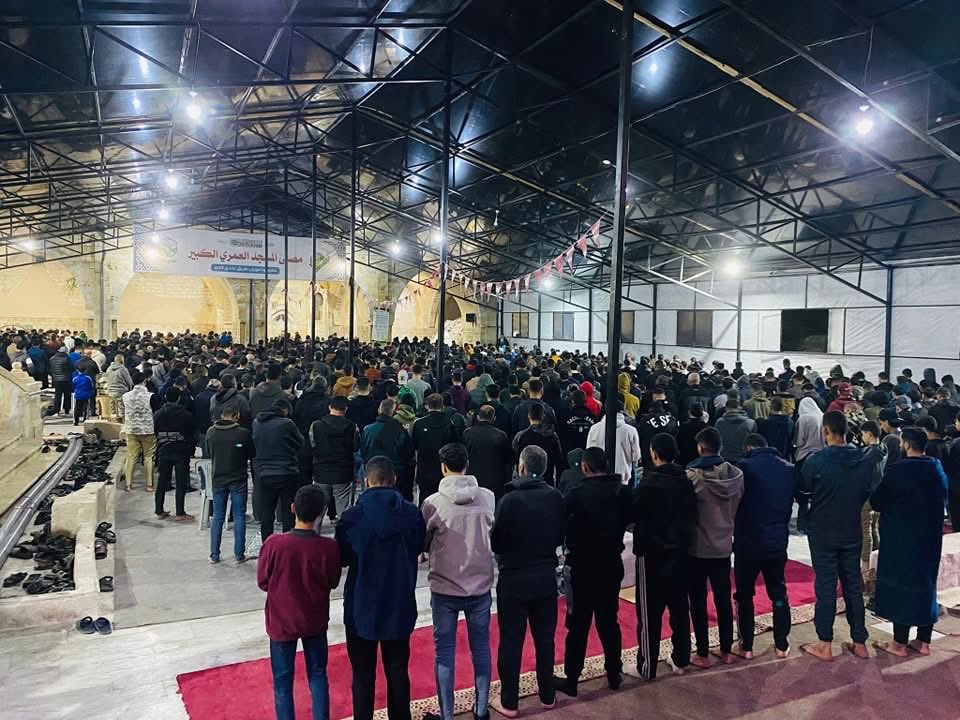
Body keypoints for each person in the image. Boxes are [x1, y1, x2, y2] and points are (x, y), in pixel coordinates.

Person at [336, 457, 426, 720]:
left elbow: (342, 558)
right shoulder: (412, 514)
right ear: (394, 479)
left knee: (362, 676)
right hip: (399, 602)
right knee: (397, 671)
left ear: (366, 481)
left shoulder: (351, 518)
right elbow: (419, 547)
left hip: (361, 605)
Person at [421, 443, 496, 720]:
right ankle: (481, 710)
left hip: (445, 587)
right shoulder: (488, 497)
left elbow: (424, 543)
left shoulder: (432, 503)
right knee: (481, 649)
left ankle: (447, 715)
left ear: (443, 468)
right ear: (467, 465)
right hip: (480, 585)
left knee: (444, 653)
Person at [491, 446, 565, 717]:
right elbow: (560, 534)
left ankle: (510, 702)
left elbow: (496, 542)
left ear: (521, 467)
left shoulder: (509, 500)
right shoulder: (555, 497)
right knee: (545, 639)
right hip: (545, 576)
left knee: (511, 641)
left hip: (514, 578)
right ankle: (547, 694)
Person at [257, 485, 342, 720]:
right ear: (321, 513)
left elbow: (263, 581)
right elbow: (333, 581)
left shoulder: (274, 544)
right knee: (318, 675)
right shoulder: (328, 547)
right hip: (314, 619)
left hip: (282, 621)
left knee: (282, 681)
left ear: (292, 508)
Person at [554, 447, 630, 697]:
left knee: (578, 625)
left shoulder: (575, 495)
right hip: (611, 564)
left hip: (582, 568)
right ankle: (614, 673)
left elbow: (561, 527)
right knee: (609, 622)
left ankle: (572, 679)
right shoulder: (622, 492)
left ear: (584, 467)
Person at [798, 411, 874, 661]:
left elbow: (804, 491)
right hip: (851, 529)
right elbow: (866, 492)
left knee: (826, 586)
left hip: (823, 531)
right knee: (852, 585)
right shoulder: (863, 459)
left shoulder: (815, 461)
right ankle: (860, 642)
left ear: (826, 431)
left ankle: (825, 643)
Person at [870, 426, 948, 657]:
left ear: (906, 444)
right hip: (930, 539)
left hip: (902, 539)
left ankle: (899, 643)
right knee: (926, 585)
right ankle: (923, 641)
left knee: (901, 587)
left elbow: (877, 501)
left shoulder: (899, 471)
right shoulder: (936, 468)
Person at [632, 433, 696, 679]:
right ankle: (681, 658)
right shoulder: (686, 481)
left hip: (651, 555)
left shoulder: (648, 485)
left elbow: (633, 513)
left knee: (649, 613)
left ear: (654, 454)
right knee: (679, 607)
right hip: (681, 551)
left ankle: (647, 666)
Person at [686, 426, 744, 667]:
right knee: (722, 599)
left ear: (700, 448)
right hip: (723, 545)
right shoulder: (737, 476)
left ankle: (702, 653)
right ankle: (726, 649)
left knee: (698, 602)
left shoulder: (692, 477)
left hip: (697, 548)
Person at [732, 434, 794, 659]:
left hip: (748, 540)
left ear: (749, 448)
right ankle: (781, 644)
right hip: (777, 540)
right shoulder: (788, 468)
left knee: (744, 594)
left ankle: (746, 646)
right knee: (778, 591)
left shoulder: (744, 467)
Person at [206, 404, 254, 564]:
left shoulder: (211, 432)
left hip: (218, 479)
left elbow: (209, 452)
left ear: (222, 416)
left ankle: (214, 555)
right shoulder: (242, 433)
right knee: (239, 515)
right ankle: (239, 554)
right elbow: (251, 452)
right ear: (237, 415)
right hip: (238, 479)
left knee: (218, 516)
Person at [253, 398, 304, 541]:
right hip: (287, 471)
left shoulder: (257, 422)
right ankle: (287, 542)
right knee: (288, 511)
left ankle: (267, 543)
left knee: (267, 511)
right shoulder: (287, 423)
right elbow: (300, 442)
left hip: (264, 472)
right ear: (285, 410)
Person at [310, 395, 361, 516]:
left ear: (329, 407)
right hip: (343, 472)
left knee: (318, 510)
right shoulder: (352, 426)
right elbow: (356, 446)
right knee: (344, 510)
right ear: (346, 409)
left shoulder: (316, 425)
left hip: (321, 471)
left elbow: (312, 445)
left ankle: (315, 528)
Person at [153, 386, 196, 521]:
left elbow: (155, 431)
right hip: (181, 451)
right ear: (179, 399)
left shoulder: (158, 414)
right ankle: (180, 512)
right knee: (181, 482)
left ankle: (159, 510)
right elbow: (191, 434)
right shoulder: (186, 415)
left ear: (166, 397)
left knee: (162, 481)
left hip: (163, 450)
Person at [361, 399, 416, 502]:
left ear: (379, 410)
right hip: (396, 472)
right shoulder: (400, 430)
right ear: (394, 412)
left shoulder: (368, 430)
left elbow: (364, 452)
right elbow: (408, 452)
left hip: (374, 471)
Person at [412, 394, 458, 505]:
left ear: (427, 406)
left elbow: (414, 446)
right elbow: (454, 446)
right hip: (444, 471)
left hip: (424, 470)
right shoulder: (449, 424)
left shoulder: (419, 424)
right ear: (442, 406)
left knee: (424, 501)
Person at [463, 405, 513, 502]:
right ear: (494, 418)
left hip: (473, 482)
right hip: (495, 482)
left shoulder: (467, 434)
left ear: (478, 417)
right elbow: (509, 459)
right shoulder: (501, 435)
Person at [585, 400, 641, 484]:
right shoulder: (631, 431)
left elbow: (589, 452)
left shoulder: (594, 428)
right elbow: (636, 457)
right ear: (622, 412)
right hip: (622, 478)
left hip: (598, 477)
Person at [512, 402, 565, 487]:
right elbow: (559, 461)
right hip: (547, 482)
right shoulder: (552, 436)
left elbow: (514, 459)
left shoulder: (520, 436)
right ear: (543, 416)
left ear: (529, 416)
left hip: (525, 483)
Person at [122, 369, 155, 492]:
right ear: (144, 381)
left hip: (131, 429)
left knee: (131, 457)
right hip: (148, 430)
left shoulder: (125, 396)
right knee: (148, 457)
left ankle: (128, 485)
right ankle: (149, 485)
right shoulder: (151, 396)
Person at [637, 390, 678, 472]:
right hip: (668, 451)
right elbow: (675, 433)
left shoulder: (644, 420)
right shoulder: (671, 419)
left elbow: (640, 436)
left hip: (650, 452)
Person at [715, 397, 756, 463]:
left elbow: (716, 440)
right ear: (740, 407)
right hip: (744, 459)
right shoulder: (750, 423)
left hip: (724, 458)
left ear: (726, 408)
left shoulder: (719, 422)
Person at [677, 402, 708, 467]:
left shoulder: (683, 427)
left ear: (689, 412)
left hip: (685, 459)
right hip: (702, 459)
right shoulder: (706, 427)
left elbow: (679, 443)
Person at [105, 354, 133, 419]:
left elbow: (107, 378)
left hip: (110, 391)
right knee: (121, 407)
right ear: (122, 361)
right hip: (121, 391)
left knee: (112, 407)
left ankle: (113, 419)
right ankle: (121, 419)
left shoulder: (109, 368)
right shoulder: (123, 369)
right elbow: (129, 381)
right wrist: (130, 388)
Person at [48, 346, 74, 417]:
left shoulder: (52, 358)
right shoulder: (67, 359)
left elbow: (50, 369)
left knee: (58, 395)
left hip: (56, 379)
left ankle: (56, 410)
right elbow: (72, 368)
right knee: (67, 395)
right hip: (66, 379)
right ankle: (67, 410)